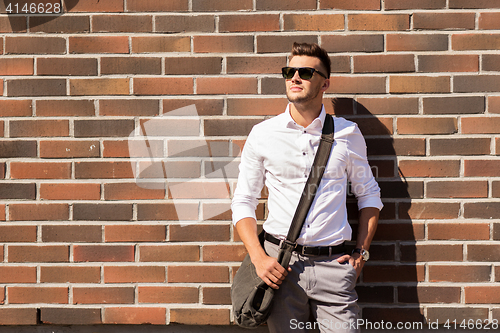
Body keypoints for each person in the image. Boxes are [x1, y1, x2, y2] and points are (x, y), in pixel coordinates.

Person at [231, 42, 383, 333]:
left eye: (305, 72)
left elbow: (369, 196)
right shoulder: (263, 134)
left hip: (334, 268)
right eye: (289, 71)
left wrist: (361, 254)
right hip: (280, 269)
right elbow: (243, 201)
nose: (295, 77)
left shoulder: (347, 133)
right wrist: (258, 257)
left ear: (325, 83)